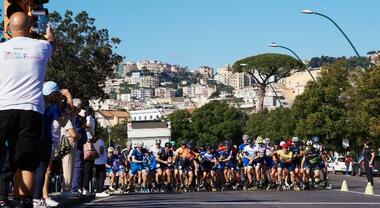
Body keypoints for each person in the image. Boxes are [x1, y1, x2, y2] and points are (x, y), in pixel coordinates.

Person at [0, 12, 54, 207]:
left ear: (8, 29)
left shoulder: (1, 49)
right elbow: (51, 41)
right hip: (31, 111)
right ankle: (25, 202)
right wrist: (48, 31)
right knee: (27, 163)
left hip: (3, 108)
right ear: (30, 27)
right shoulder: (42, 47)